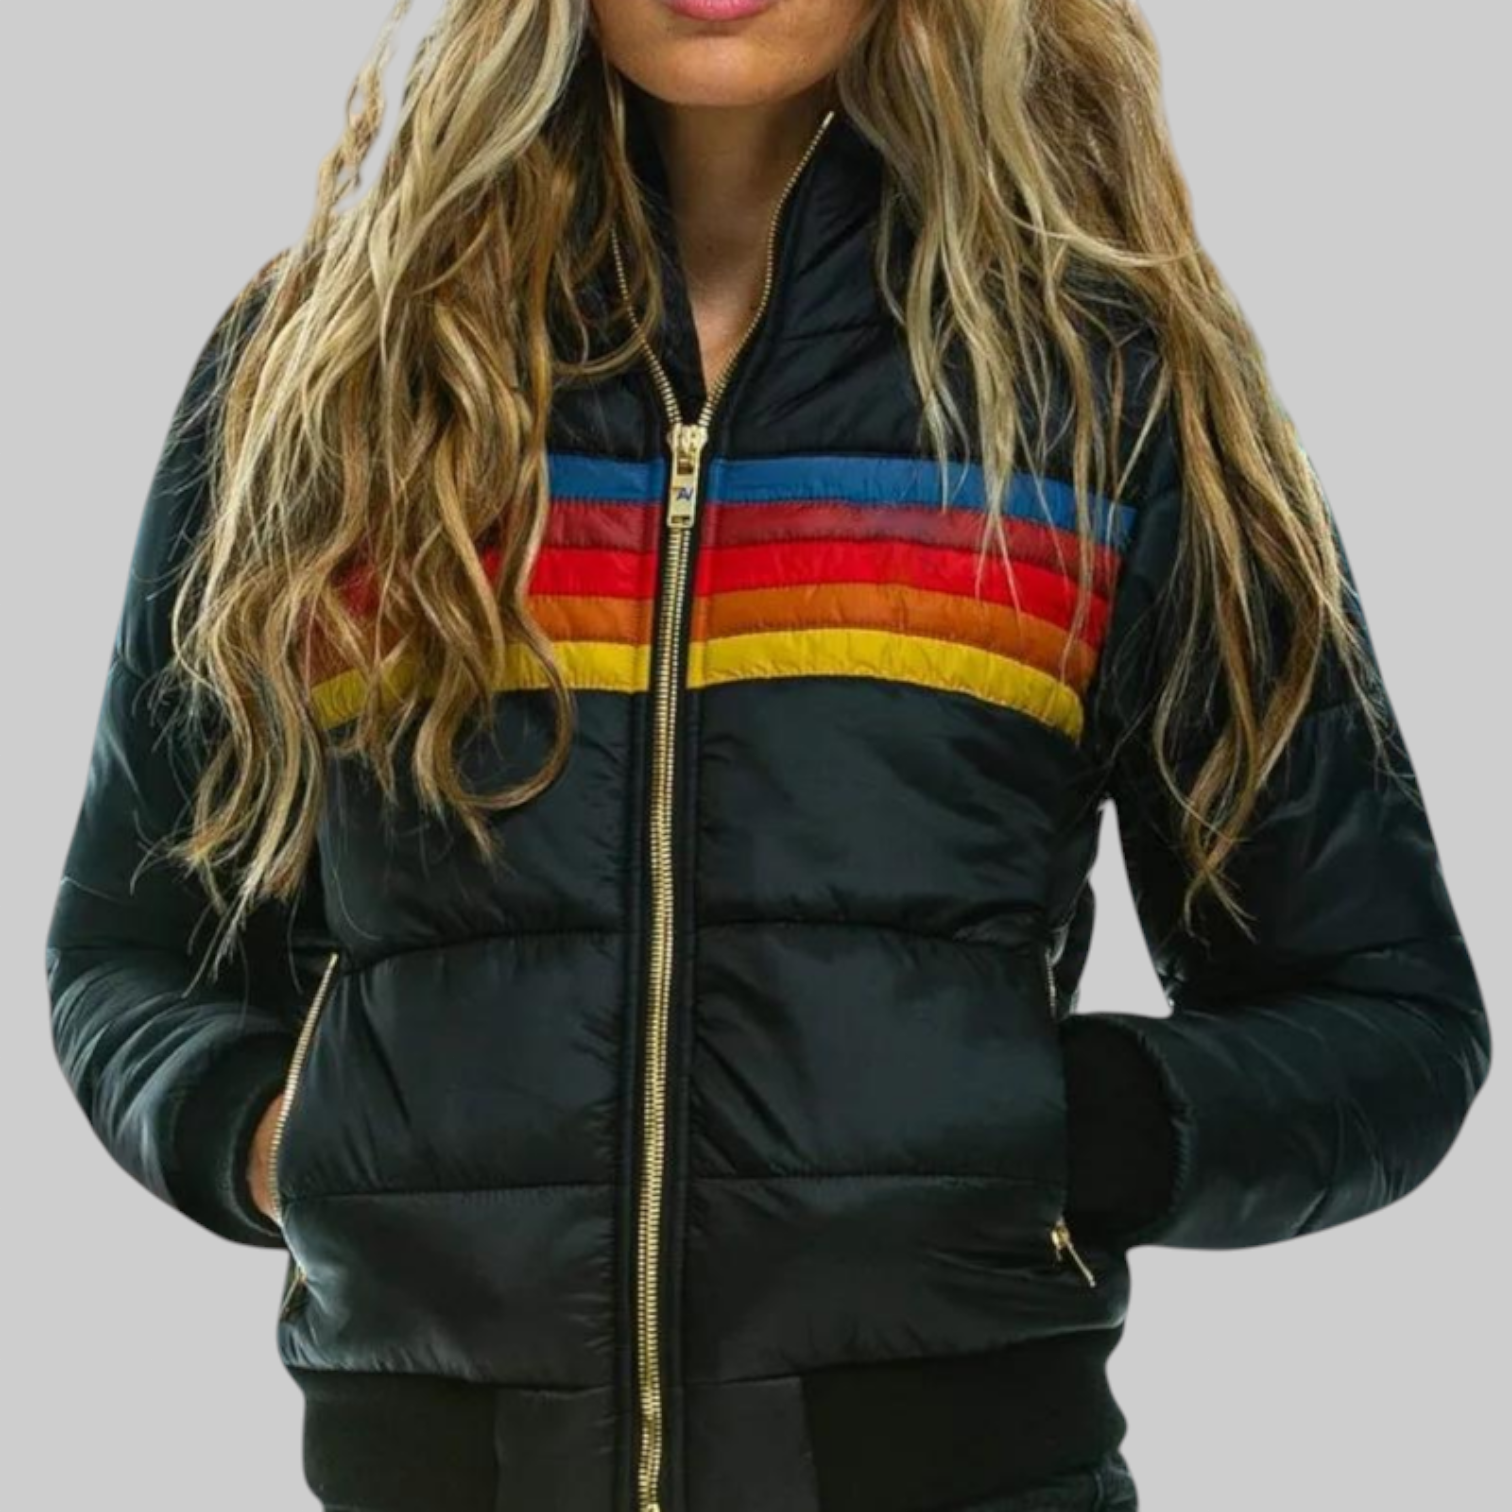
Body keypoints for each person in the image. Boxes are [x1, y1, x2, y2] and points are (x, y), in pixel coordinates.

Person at [44, 2, 1492, 1510]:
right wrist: (276, 1141)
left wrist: (1056, 1137)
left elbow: (1385, 1017)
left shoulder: (1093, 384)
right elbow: (133, 946)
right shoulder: (333, 373)